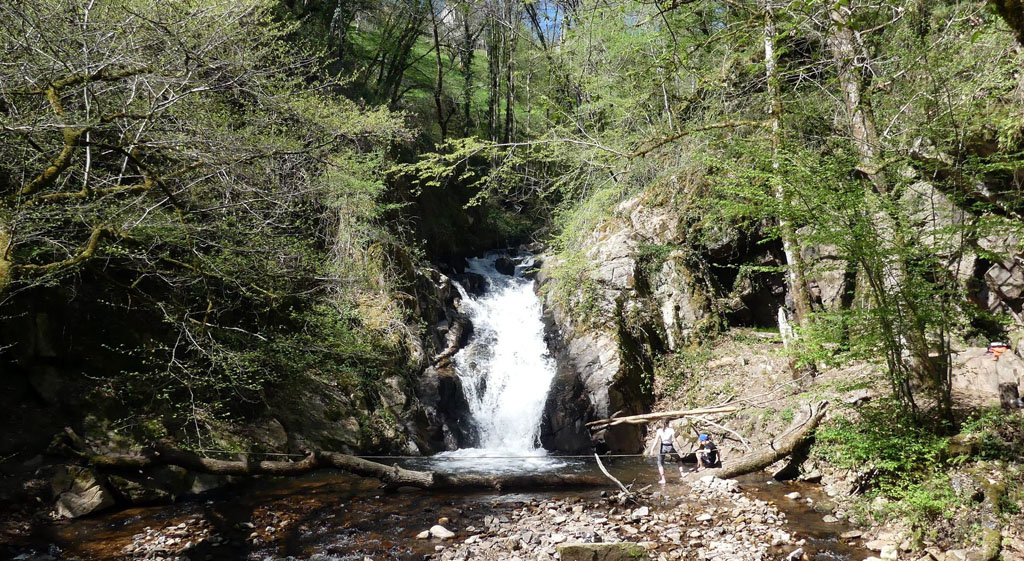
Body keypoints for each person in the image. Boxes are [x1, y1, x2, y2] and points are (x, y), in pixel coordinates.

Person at [652, 420, 684, 484]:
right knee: (678, 459)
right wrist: (680, 450)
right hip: (670, 447)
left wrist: (652, 450)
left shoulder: (659, 431)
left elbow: (656, 441)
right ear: (668, 423)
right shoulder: (671, 430)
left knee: (660, 463)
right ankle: (682, 473)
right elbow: (675, 441)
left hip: (662, 447)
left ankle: (663, 479)